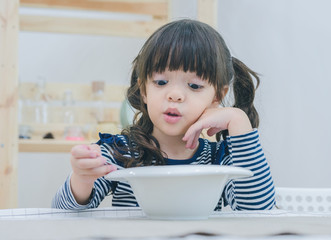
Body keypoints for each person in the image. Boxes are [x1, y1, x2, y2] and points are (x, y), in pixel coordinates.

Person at [52, 19, 275, 211]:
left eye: (194, 86)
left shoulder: (219, 160)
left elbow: (259, 211)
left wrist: (238, 120)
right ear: (144, 90)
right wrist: (81, 178)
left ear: (217, 96)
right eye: (161, 82)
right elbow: (62, 212)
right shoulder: (120, 152)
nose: (175, 95)